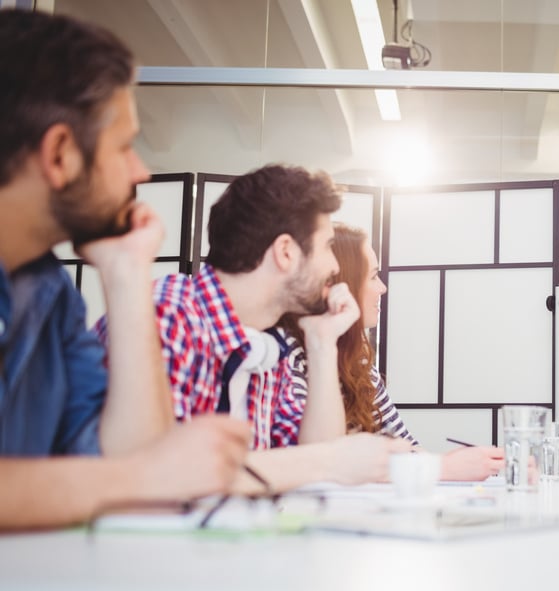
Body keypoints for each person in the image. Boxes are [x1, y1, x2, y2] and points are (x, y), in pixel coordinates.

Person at [0, 9, 250, 530]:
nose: (141, 171)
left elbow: (131, 459)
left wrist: (129, 275)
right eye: (123, 146)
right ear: (60, 155)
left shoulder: (46, 289)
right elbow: (144, 475)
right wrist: (143, 477)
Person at [96, 164, 410, 492]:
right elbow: (155, 475)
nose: (334, 266)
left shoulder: (265, 343)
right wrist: (329, 461)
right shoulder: (171, 313)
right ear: (286, 252)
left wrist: (322, 342)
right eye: (328, 246)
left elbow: (316, 466)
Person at [280, 224, 505, 481]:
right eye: (373, 276)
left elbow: (405, 447)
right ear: (342, 284)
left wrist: (479, 462)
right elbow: (319, 464)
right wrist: (442, 468)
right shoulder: (289, 357)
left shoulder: (360, 361)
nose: (383, 288)